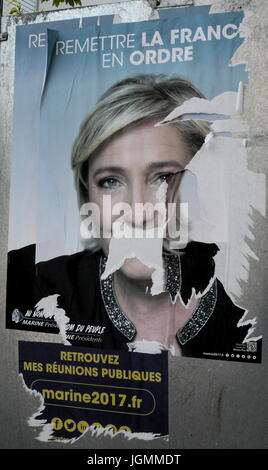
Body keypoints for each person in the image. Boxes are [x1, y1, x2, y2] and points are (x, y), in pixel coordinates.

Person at [6, 74, 256, 359]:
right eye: (111, 181)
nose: (137, 212)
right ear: (88, 196)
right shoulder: (29, 285)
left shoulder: (253, 310)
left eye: (163, 178)